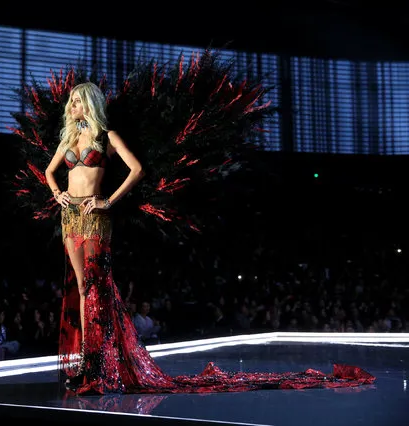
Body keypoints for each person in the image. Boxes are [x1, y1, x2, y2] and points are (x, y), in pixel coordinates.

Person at [44, 82, 375, 395]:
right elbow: (48, 171)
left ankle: (101, 363)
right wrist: (57, 192)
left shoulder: (106, 136)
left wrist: (107, 201)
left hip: (96, 216)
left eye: (77, 100)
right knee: (82, 286)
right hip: (71, 215)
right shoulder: (69, 140)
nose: (72, 105)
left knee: (97, 286)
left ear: (90, 103)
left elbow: (137, 169)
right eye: (71, 101)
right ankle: (90, 361)